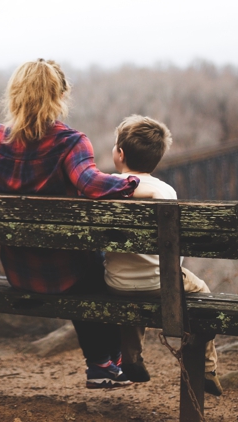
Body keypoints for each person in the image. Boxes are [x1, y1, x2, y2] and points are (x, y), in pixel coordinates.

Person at [0, 59, 156, 389]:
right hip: (68, 274)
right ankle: (104, 363)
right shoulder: (70, 142)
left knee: (89, 267)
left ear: (13, 95)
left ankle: (104, 364)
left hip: (18, 272)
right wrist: (132, 183)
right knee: (102, 271)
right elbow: (91, 185)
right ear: (59, 96)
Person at [104, 114, 223, 396]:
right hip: (161, 283)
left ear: (119, 154)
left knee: (132, 287)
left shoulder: (105, 187)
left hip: (116, 284)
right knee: (202, 291)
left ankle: (131, 358)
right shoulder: (165, 191)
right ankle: (207, 367)